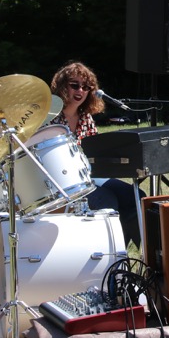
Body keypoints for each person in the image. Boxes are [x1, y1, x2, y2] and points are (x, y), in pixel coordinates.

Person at [47, 61, 144, 249]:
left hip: (89, 175)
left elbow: (97, 151)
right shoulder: (49, 116)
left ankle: (148, 259)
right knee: (107, 200)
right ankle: (112, 261)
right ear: (62, 87)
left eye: (86, 87)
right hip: (63, 181)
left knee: (136, 195)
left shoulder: (86, 117)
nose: (80, 91)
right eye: (74, 85)